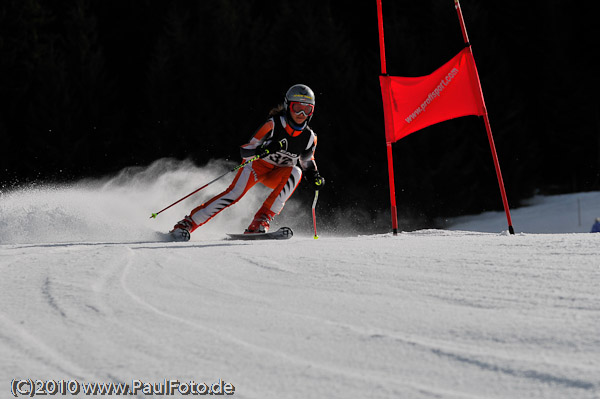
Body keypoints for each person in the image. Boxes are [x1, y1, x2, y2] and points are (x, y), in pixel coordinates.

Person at [169, 84, 325, 241]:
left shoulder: (310, 137)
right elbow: (246, 150)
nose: (301, 113)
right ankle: (187, 224)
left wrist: (314, 176)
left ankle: (260, 221)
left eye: (307, 109)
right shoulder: (273, 125)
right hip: (256, 167)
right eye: (297, 107)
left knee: (296, 172)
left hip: (277, 173)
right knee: (234, 194)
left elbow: (307, 161)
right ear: (287, 105)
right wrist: (261, 150)